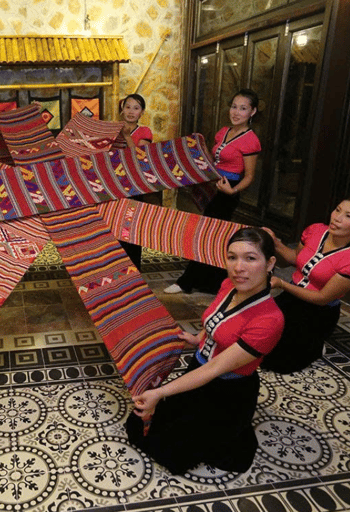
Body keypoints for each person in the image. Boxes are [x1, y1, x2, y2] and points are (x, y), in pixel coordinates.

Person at [126, 227, 283, 474]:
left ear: (270, 263)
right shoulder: (228, 285)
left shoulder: (269, 320)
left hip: (225, 391)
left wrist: (160, 392)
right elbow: (216, 319)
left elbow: (214, 369)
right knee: (139, 424)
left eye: (250, 258)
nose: (238, 267)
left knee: (172, 452)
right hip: (199, 370)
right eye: (232, 257)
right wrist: (197, 338)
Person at [260, 196, 350, 374]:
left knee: (278, 363)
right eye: (337, 210)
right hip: (290, 299)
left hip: (317, 312)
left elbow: (322, 299)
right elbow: (295, 260)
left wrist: (282, 284)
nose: (337, 218)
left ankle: (316, 345)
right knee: (255, 342)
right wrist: (274, 242)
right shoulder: (315, 231)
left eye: (349, 216)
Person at [165, 89, 261, 295]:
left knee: (207, 235)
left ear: (252, 112)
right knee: (211, 236)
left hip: (227, 193)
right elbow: (211, 159)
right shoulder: (224, 131)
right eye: (234, 107)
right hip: (214, 187)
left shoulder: (251, 140)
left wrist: (232, 190)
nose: (236, 112)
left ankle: (187, 282)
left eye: (243, 108)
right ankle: (212, 282)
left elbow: (250, 176)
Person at [117, 93, 159, 270]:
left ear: (142, 112)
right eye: (128, 107)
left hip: (135, 186)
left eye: (136, 108)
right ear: (122, 109)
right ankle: (118, 269)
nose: (131, 111)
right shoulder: (113, 130)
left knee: (132, 229)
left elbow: (139, 158)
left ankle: (134, 270)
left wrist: (127, 137)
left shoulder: (144, 132)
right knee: (117, 228)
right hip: (116, 186)